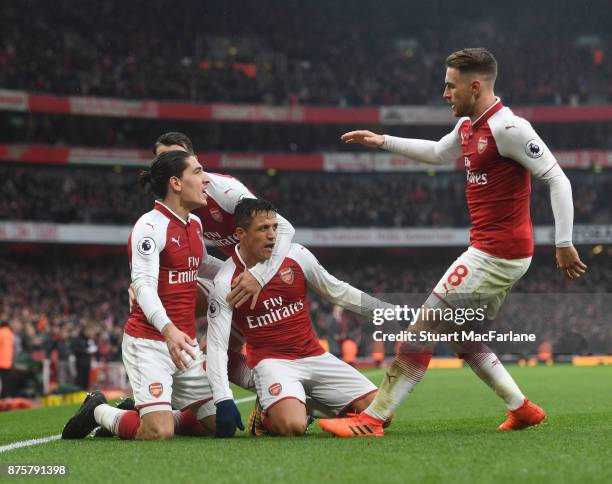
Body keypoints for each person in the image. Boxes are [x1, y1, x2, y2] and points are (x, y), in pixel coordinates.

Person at [319, 48, 586, 437]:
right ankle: (522, 409)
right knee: (464, 338)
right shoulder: (468, 127)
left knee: (420, 330)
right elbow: (437, 153)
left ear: (475, 86)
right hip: (492, 250)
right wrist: (382, 141)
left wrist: (563, 242)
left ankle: (372, 419)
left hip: (496, 254)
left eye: (451, 85)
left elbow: (557, 178)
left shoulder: (508, 129)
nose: (445, 93)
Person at [62, 150, 225, 440]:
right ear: (176, 183)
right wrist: (169, 330)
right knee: (158, 432)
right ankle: (98, 410)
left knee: (219, 425)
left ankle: (148, 410)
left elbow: (203, 264)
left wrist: (242, 272)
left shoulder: (194, 224)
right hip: (149, 342)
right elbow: (144, 286)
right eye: (198, 172)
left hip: (183, 344)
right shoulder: (149, 227)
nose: (206, 180)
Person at [206, 198, 390, 437]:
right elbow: (217, 345)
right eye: (263, 229)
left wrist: (382, 308)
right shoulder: (225, 281)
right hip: (272, 362)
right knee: (293, 427)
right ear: (241, 233)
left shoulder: (296, 255)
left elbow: (337, 291)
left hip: (314, 355)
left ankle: (297, 405)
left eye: (274, 227)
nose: (272, 235)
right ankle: (266, 416)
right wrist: (223, 399)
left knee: (382, 414)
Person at [0, 320, 15, 397]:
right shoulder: (11, 334)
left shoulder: (1, 333)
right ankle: (5, 397)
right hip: (8, 362)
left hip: (1, 361)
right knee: (6, 381)